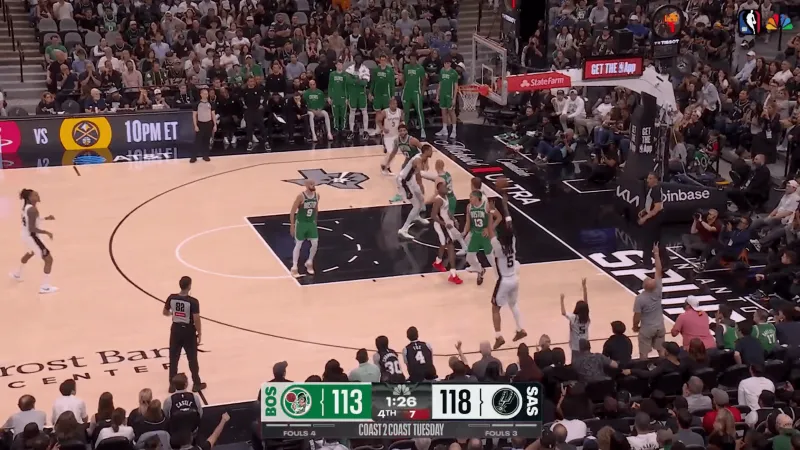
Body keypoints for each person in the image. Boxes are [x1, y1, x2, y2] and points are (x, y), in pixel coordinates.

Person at [163, 276, 205, 392]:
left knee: (173, 358)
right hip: (188, 332)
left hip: (175, 330)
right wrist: (199, 333)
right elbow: (196, 319)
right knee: (192, 359)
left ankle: (172, 385)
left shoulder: (171, 298)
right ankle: (196, 384)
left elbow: (165, 312)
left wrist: (174, 314)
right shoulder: (193, 301)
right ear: (189, 286)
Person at [10, 189, 57, 293]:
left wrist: (45, 218)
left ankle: (17, 274)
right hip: (31, 236)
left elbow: (32, 220)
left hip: (25, 235)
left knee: (30, 253)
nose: (38, 196)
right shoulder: (32, 210)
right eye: (35, 195)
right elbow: (32, 228)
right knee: (48, 259)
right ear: (29, 198)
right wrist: (46, 232)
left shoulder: (27, 207)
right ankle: (45, 287)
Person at [490, 222, 527, 349]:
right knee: (513, 304)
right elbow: (510, 228)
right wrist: (504, 211)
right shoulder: (513, 242)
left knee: (495, 308)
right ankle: (520, 329)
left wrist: (490, 214)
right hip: (514, 279)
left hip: (504, 281)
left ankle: (498, 336)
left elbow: (490, 231)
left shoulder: (498, 246)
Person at [463, 190, 502, 285]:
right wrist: (464, 232)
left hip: (486, 235)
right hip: (476, 234)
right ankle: (480, 269)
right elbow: (468, 222)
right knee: (469, 257)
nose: (469, 199)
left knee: (491, 258)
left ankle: (499, 278)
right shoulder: (469, 207)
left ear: (477, 198)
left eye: (471, 197)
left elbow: (499, 217)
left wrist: (489, 229)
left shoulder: (486, 206)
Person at [633, 245, 666, 358]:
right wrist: (656, 254)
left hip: (647, 328)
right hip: (660, 326)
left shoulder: (640, 298)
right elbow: (658, 269)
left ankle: (644, 368)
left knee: (644, 353)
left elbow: (637, 316)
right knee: (661, 350)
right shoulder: (658, 289)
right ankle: (663, 366)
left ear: (643, 286)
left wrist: (635, 326)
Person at [430, 179, 464, 285]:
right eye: (444, 186)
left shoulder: (445, 197)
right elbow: (433, 215)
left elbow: (447, 211)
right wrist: (444, 224)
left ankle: (438, 262)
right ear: (439, 189)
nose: (446, 188)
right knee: (450, 246)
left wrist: (454, 219)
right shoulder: (438, 200)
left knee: (443, 244)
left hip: (445, 224)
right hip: (441, 225)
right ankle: (453, 275)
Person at [397, 144, 432, 239]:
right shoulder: (418, 160)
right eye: (430, 150)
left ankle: (416, 216)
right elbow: (420, 174)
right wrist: (423, 184)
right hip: (404, 182)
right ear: (426, 151)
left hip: (410, 180)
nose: (432, 152)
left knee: (421, 198)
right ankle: (403, 230)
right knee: (416, 205)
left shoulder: (422, 157)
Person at [434, 159, 467, 254]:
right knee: (449, 222)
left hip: (446, 201)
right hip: (452, 198)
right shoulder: (448, 174)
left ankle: (463, 246)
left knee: (449, 225)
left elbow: (436, 193)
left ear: (436, 166)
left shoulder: (439, 179)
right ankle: (453, 238)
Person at [289, 179, 320, 277]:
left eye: (313, 183)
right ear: (306, 185)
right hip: (301, 223)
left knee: (315, 243)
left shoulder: (317, 196)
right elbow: (292, 212)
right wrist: (292, 225)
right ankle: (294, 267)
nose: (313, 185)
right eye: (311, 184)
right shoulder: (301, 196)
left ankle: (309, 262)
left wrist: (315, 221)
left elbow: (316, 209)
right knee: (298, 244)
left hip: (311, 223)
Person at [638, 172, 668, 270]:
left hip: (654, 218)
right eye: (648, 178)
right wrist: (645, 210)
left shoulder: (655, 190)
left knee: (649, 240)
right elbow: (653, 204)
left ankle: (648, 263)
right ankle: (664, 262)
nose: (648, 180)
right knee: (655, 240)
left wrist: (645, 218)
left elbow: (657, 208)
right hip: (654, 217)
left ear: (656, 180)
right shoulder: (654, 189)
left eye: (650, 178)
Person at [386, 124, 424, 190]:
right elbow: (393, 152)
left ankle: (418, 191)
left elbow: (424, 150)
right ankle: (405, 190)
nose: (402, 132)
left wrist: (424, 162)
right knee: (401, 176)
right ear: (398, 132)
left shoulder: (412, 140)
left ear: (407, 131)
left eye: (404, 130)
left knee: (416, 179)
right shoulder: (397, 141)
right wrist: (388, 163)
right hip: (408, 159)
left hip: (416, 159)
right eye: (400, 131)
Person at [561, 278, 590, 361]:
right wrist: (584, 288)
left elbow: (563, 312)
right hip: (585, 344)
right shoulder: (587, 319)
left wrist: (561, 300)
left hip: (575, 346)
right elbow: (586, 304)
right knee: (586, 361)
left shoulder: (574, 318)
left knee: (575, 363)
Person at [346, 53, 371, 139]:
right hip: (352, 93)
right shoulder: (350, 68)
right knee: (352, 111)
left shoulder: (365, 69)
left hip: (361, 93)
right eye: (356, 58)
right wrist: (358, 80)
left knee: (364, 111)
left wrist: (354, 80)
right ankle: (351, 131)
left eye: (360, 58)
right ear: (354, 59)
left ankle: (365, 131)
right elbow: (347, 80)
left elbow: (365, 82)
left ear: (362, 59)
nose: (358, 59)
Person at [402, 52, 427, 138]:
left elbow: (424, 82)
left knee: (419, 111)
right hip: (407, 92)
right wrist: (403, 89)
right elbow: (404, 79)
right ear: (409, 59)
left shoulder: (420, 68)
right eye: (411, 58)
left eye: (414, 58)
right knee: (406, 112)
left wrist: (422, 93)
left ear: (416, 58)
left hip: (416, 92)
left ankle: (422, 129)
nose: (412, 60)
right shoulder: (406, 67)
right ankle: (404, 130)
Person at [371, 54, 396, 135]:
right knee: (378, 112)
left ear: (386, 61)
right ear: (379, 61)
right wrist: (370, 93)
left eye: (384, 60)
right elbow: (373, 83)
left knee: (386, 113)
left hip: (386, 94)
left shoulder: (390, 70)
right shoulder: (376, 70)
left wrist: (392, 95)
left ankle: (386, 129)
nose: (383, 62)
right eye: (381, 60)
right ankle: (378, 129)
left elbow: (392, 83)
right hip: (377, 94)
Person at [435, 57, 459, 140]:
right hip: (443, 95)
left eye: (447, 63)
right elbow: (440, 83)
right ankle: (444, 129)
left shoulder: (454, 73)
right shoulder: (442, 71)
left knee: (451, 112)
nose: (446, 64)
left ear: (450, 64)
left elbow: (456, 86)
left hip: (450, 95)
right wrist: (437, 94)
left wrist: (454, 98)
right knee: (443, 112)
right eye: (445, 63)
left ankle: (454, 130)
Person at [191, 88, 216, 163]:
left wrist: (215, 125)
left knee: (206, 140)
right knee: (198, 141)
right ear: (201, 94)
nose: (206, 95)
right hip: (200, 124)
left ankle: (205, 155)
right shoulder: (197, 104)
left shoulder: (211, 104)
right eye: (204, 94)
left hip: (208, 123)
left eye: (207, 94)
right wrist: (195, 125)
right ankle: (194, 156)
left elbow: (213, 114)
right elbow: (194, 115)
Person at [380, 97, 404, 171]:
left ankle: (385, 165)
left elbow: (402, 121)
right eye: (393, 104)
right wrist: (383, 129)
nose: (395, 105)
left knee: (393, 152)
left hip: (396, 135)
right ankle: (385, 166)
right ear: (389, 105)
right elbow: (378, 121)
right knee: (391, 152)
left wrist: (402, 127)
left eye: (396, 103)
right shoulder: (385, 112)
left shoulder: (400, 111)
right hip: (387, 135)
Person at [328, 61, 349, 138]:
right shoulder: (332, 74)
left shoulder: (345, 75)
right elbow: (330, 86)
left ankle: (343, 129)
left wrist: (347, 98)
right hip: (335, 97)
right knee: (335, 115)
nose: (340, 66)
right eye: (338, 65)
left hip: (343, 97)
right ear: (336, 65)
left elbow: (347, 87)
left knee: (343, 115)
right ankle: (336, 129)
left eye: (341, 65)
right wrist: (329, 97)